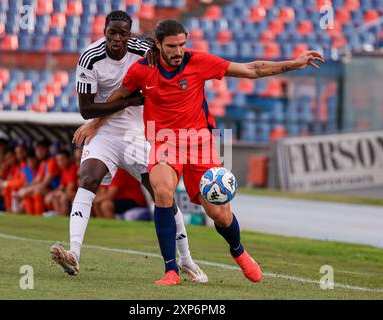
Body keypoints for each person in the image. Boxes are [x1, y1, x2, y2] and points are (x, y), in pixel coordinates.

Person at [74, 19, 325, 286]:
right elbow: (118, 97)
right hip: (164, 142)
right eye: (172, 46)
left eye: (182, 44)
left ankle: (238, 251)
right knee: (161, 190)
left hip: (199, 143)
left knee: (219, 214)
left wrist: (293, 63)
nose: (178, 51)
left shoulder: (199, 62)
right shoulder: (141, 70)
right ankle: (171, 269)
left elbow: (252, 69)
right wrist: (94, 123)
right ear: (158, 45)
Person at [50, 11, 208, 283]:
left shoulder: (144, 51)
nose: (117, 39)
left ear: (130, 33)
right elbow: (87, 109)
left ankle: (186, 260)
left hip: (139, 132)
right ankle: (73, 253)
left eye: (123, 33)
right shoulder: (89, 58)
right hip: (105, 132)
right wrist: (128, 102)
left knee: (162, 193)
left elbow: (165, 67)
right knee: (88, 178)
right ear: (104, 31)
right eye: (112, 32)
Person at [44, 149, 78, 216]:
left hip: (77, 194)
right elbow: (61, 186)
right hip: (70, 193)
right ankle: (59, 218)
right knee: (54, 197)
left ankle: (64, 218)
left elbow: (71, 187)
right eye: (58, 160)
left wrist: (59, 193)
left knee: (63, 197)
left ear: (69, 159)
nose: (61, 162)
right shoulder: (64, 170)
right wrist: (53, 193)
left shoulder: (73, 167)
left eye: (62, 159)